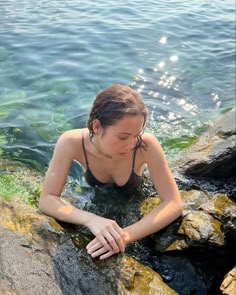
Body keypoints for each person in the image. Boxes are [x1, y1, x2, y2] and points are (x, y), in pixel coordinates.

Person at [39, 84, 183, 260]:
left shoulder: (146, 146)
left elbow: (173, 203)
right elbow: (47, 199)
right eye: (122, 137)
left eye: (136, 134)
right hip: (97, 195)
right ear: (97, 126)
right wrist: (91, 220)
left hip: (134, 195)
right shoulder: (71, 142)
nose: (131, 145)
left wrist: (124, 235)